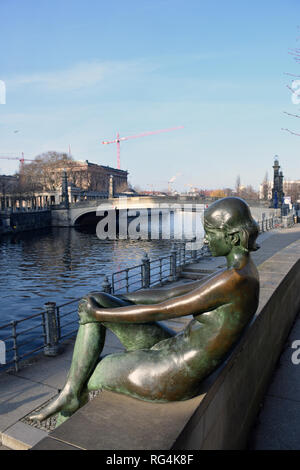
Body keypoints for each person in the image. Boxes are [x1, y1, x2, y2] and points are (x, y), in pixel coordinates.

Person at [30, 197, 259, 426]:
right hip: (172, 350)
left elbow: (162, 310)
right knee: (97, 299)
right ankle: (70, 392)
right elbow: (170, 293)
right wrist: (117, 300)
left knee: (87, 375)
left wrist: (98, 315)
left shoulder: (234, 281)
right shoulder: (236, 271)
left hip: (172, 375)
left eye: (210, 232)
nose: (205, 239)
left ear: (233, 237)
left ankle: (69, 406)